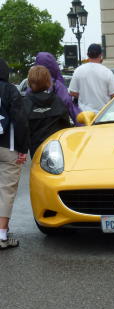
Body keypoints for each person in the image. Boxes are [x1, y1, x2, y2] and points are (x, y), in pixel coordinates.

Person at [0, 58, 28, 250]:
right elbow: (20, 120)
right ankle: (2, 234)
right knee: (6, 191)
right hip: (7, 147)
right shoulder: (10, 90)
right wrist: (22, 149)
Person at [23, 65, 71, 157]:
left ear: (29, 82)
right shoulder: (57, 101)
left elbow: (22, 128)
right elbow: (66, 125)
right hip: (56, 147)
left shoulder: (25, 103)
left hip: (36, 148)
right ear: (48, 81)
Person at [26, 52, 80, 125]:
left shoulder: (31, 86)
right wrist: (82, 123)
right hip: (56, 130)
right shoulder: (57, 85)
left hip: (35, 132)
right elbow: (69, 105)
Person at [68, 44, 114, 113]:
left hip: (84, 115)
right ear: (100, 55)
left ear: (87, 55)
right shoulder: (107, 72)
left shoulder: (78, 70)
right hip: (102, 115)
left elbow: (72, 92)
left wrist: (84, 95)